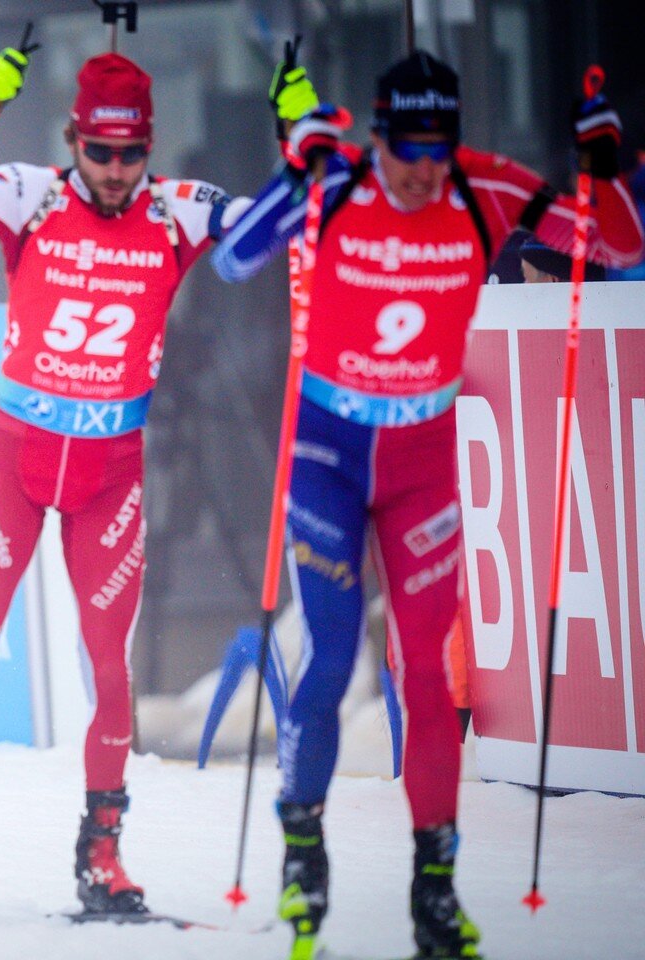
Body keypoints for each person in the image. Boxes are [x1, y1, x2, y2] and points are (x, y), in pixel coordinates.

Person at [213, 50, 643, 959]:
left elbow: (621, 245)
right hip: (331, 458)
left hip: (420, 463)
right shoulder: (335, 182)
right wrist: (295, 168)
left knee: (424, 670)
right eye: (406, 147)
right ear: (378, 133)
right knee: (332, 655)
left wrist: (605, 167)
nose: (421, 168)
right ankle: (304, 858)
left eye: (437, 146)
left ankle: (435, 891)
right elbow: (234, 256)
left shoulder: (485, 190)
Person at [0, 49, 249, 915]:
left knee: (110, 667)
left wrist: (305, 147)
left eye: (130, 154)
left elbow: (267, 238)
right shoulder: (33, 192)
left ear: (149, 147)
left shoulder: (178, 213)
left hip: (110, 474)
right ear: (75, 141)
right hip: (16, 461)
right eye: (99, 153)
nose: (114, 172)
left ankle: (101, 851)